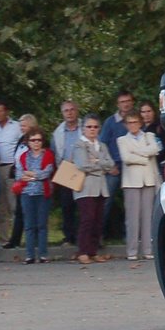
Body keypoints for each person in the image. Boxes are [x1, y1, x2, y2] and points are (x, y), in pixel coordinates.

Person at [116, 111, 162, 262]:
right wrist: (144, 157)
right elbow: (126, 158)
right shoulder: (122, 140)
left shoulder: (148, 136)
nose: (132, 125)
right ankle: (132, 250)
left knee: (147, 217)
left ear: (140, 123)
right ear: (125, 125)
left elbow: (155, 149)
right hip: (131, 183)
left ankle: (148, 249)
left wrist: (136, 151)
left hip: (148, 180)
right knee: (132, 218)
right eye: (129, 123)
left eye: (135, 122)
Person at [70, 114, 115, 264]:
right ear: (83, 129)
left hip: (101, 187)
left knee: (98, 220)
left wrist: (96, 162)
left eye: (95, 127)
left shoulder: (102, 145)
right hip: (85, 188)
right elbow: (82, 165)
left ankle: (93, 251)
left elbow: (110, 164)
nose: (92, 129)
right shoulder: (79, 145)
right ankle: (82, 251)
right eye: (89, 126)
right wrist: (101, 165)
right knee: (87, 219)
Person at [14, 131, 55, 264]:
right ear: (28, 142)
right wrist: (36, 175)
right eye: (33, 140)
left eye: (38, 140)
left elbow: (46, 173)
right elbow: (19, 175)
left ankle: (43, 255)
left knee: (42, 224)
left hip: (43, 193)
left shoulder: (48, 155)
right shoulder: (23, 156)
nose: (36, 142)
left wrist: (31, 174)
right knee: (29, 225)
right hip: (27, 193)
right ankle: (30, 255)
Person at [99, 90, 135, 241]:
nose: (125, 104)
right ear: (117, 104)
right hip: (114, 167)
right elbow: (102, 145)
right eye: (122, 102)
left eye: (128, 101)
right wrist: (109, 166)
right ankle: (98, 235)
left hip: (132, 165)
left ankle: (131, 237)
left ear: (132, 102)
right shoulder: (110, 122)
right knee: (106, 201)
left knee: (132, 203)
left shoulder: (135, 119)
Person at [0, 101, 23, 248]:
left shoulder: (15, 126)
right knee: (0, 206)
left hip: (11, 167)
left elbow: (23, 142)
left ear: (6, 112)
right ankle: (3, 238)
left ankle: (16, 238)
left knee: (14, 204)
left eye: (0, 111)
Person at [50, 100, 84, 250]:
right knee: (67, 206)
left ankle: (82, 237)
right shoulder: (57, 132)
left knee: (84, 205)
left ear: (77, 110)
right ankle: (69, 237)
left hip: (84, 169)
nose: (69, 113)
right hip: (66, 169)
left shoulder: (85, 126)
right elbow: (55, 153)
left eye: (72, 109)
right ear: (62, 113)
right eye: (66, 111)